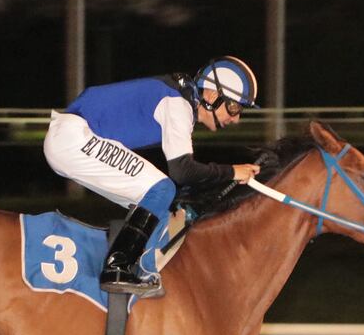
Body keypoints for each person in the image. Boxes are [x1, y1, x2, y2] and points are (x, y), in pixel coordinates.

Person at [44, 56, 261, 297]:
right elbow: (182, 171)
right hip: (74, 138)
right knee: (162, 189)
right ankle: (118, 267)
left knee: (161, 203)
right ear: (211, 95)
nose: (236, 118)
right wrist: (232, 171)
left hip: (70, 138)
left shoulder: (178, 96)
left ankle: (129, 263)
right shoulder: (178, 103)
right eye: (234, 107)